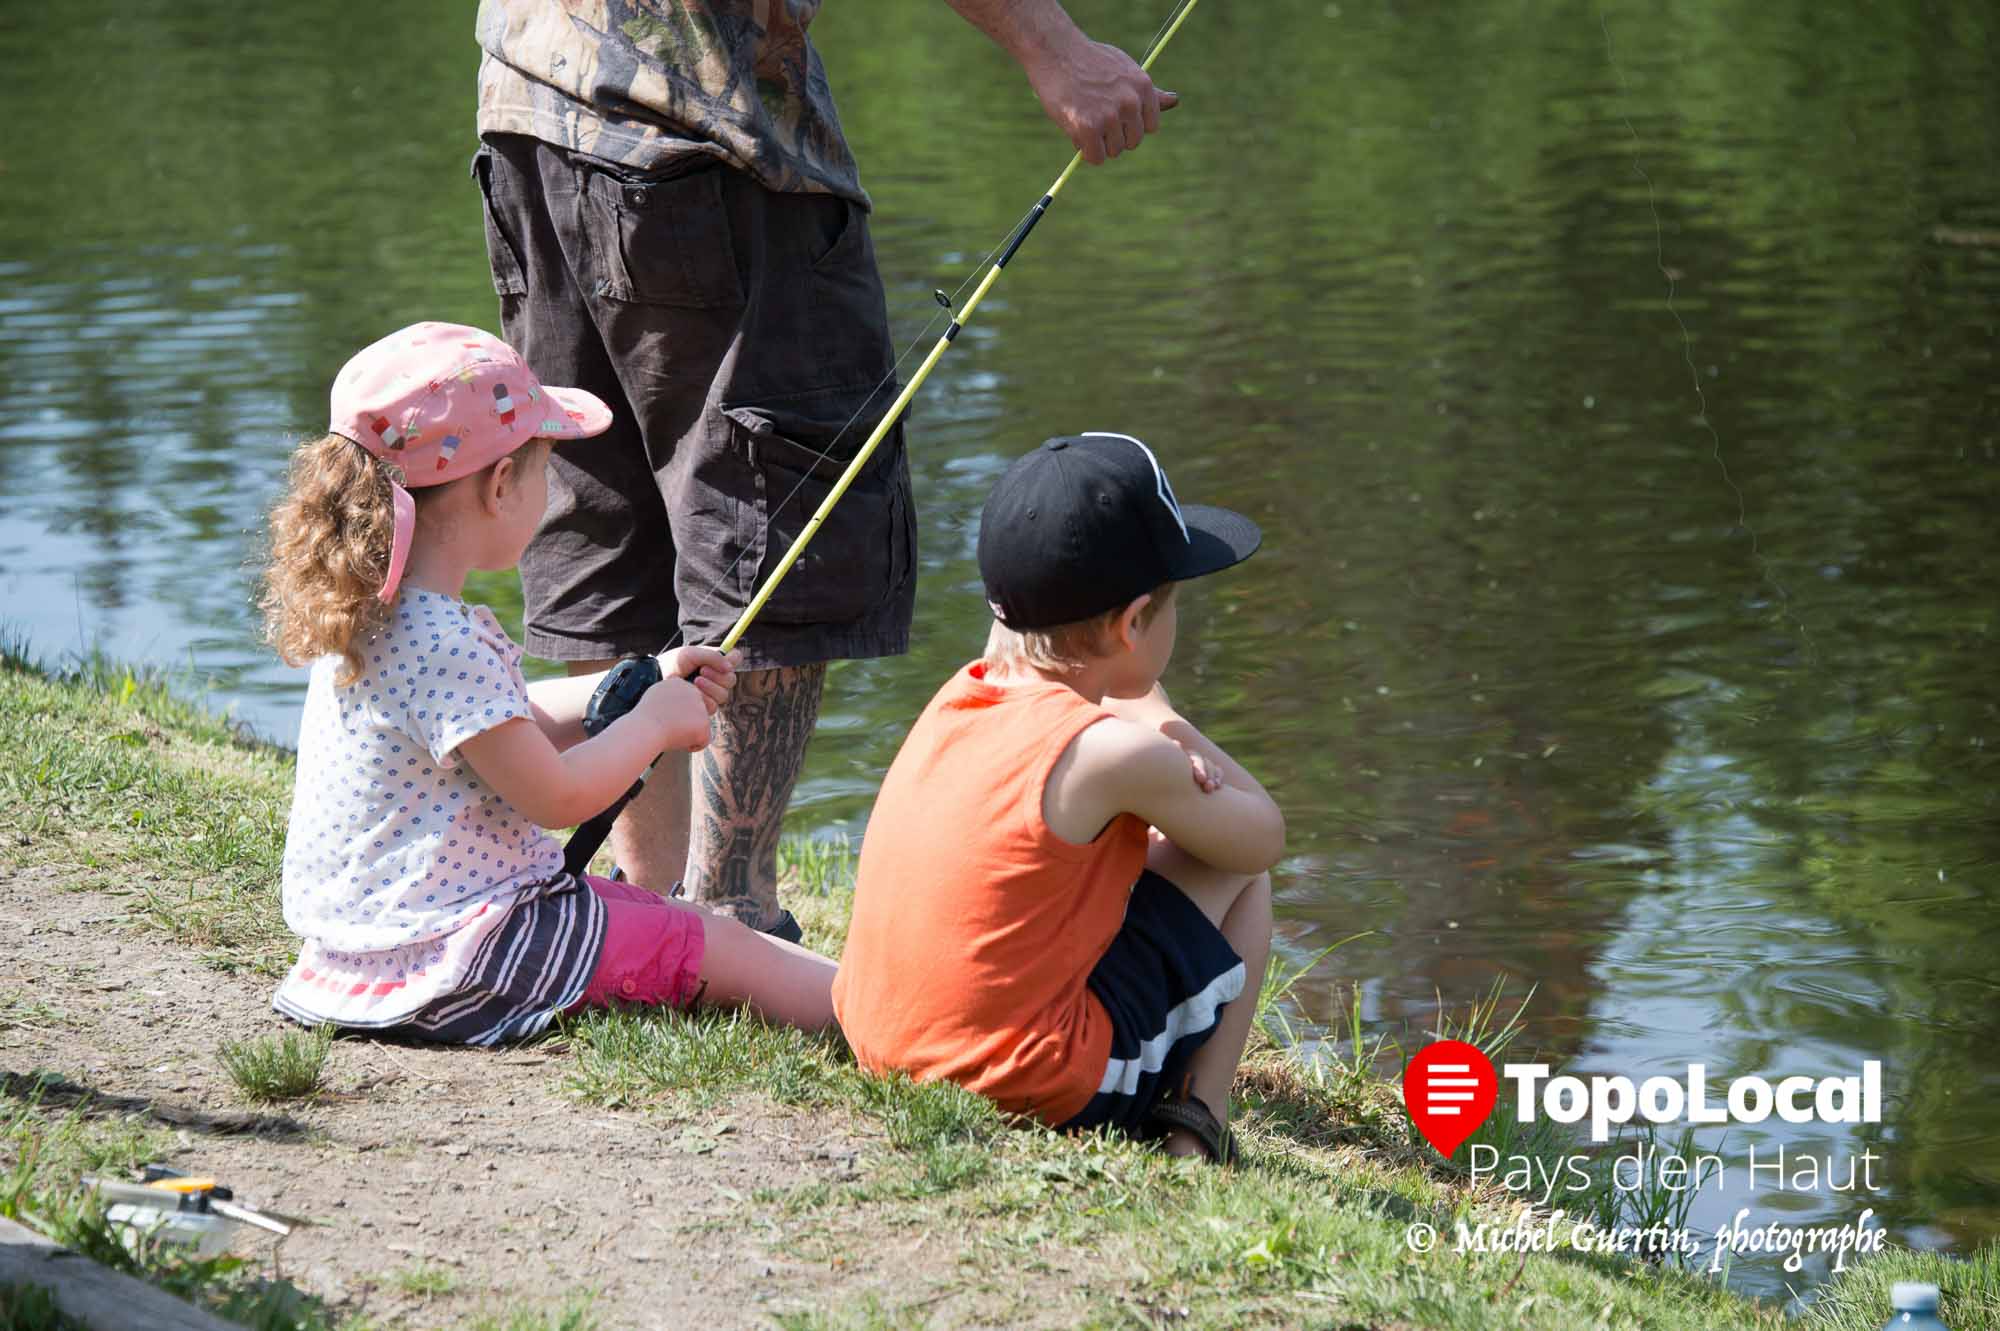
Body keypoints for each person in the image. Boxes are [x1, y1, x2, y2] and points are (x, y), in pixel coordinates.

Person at [470, 1, 1180, 943]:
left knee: (602, 506)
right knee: (772, 511)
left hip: (526, 109)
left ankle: (644, 906)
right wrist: (1058, 52)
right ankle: (729, 911)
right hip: (703, 131)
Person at [260, 321, 835, 1044]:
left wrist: (643, 677)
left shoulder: (371, 619)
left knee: (680, 924)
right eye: (543, 471)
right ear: (501, 485)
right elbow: (556, 794)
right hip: (473, 959)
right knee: (720, 943)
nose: (547, 492)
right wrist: (652, 724)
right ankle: (892, 1023)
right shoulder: (446, 642)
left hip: (365, 955)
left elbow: (500, 726)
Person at [831, 432, 1281, 1160]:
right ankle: (1198, 1122)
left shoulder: (965, 694)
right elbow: (1262, 833)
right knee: (1237, 870)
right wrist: (1164, 723)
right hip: (1018, 1079)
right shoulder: (1114, 751)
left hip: (880, 1043)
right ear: (1134, 623)